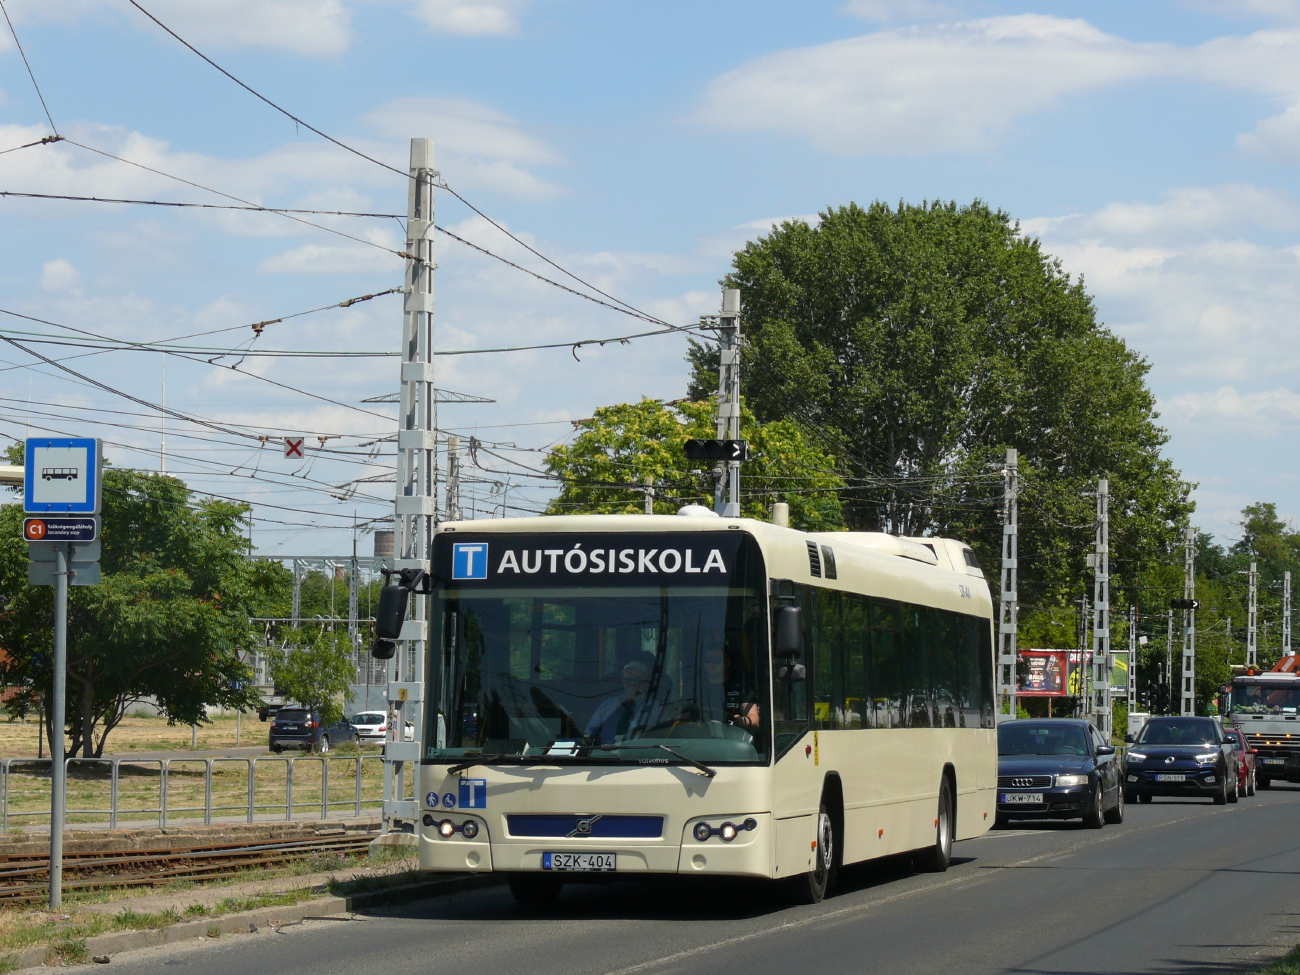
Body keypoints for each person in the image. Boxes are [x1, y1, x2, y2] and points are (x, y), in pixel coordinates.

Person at [585, 660, 655, 744]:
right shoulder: (606, 706)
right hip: (602, 754)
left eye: (637, 680)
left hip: (637, 755)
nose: (632, 683)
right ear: (623, 682)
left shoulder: (657, 709)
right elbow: (588, 735)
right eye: (628, 680)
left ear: (645, 682)